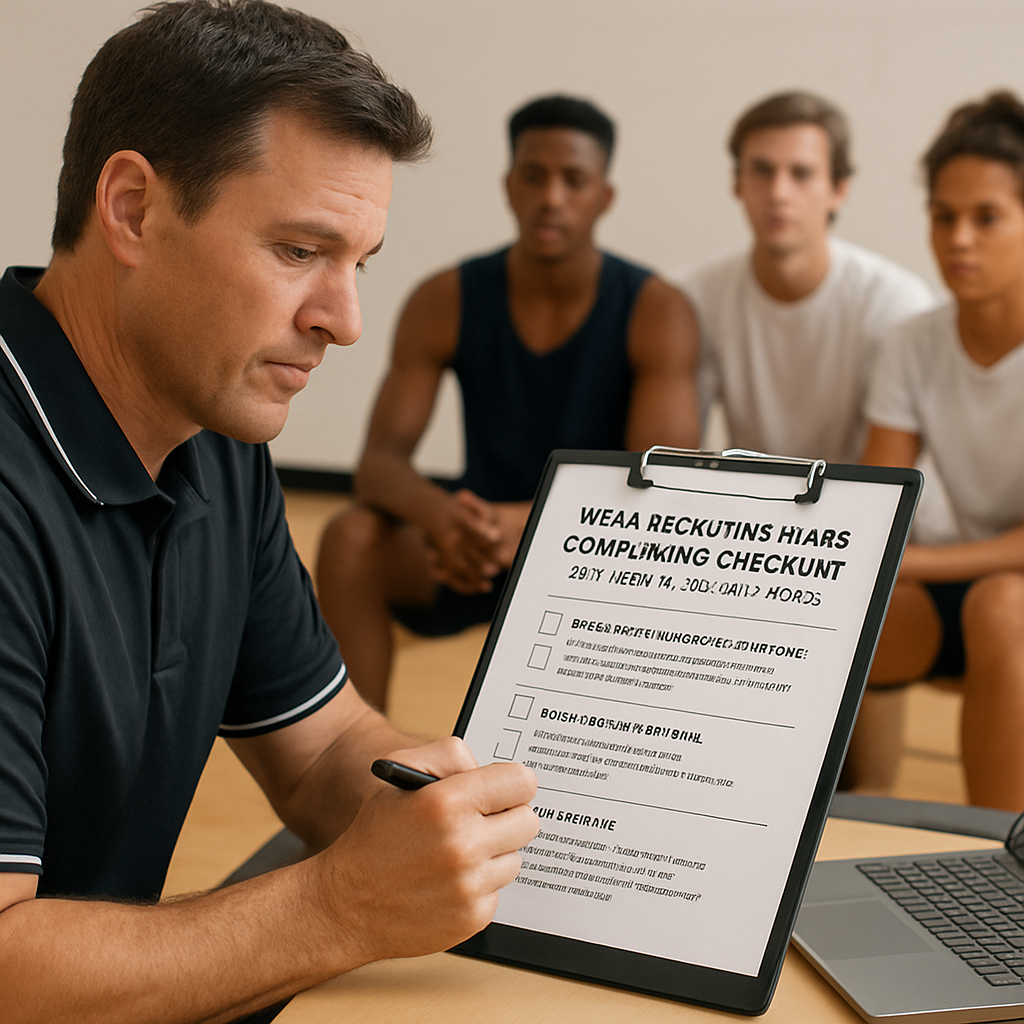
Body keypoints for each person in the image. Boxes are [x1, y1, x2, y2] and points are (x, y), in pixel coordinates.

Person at [0, 4, 539, 1023]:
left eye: (359, 263)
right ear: (131, 210)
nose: (343, 320)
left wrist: (449, 817)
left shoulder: (214, 438)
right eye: (299, 251)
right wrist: (336, 904)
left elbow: (327, 748)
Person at [316, 95, 700, 711]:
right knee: (350, 539)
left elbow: (662, 485)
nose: (552, 197)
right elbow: (379, 465)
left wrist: (512, 524)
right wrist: (445, 518)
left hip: (595, 556)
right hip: (469, 546)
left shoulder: (657, 309)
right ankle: (353, 774)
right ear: (509, 186)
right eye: (534, 176)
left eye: (574, 180)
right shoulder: (446, 297)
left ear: (604, 197)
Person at [860, 91, 1024, 811]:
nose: (959, 238)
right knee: (843, 603)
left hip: (1002, 594)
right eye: (943, 216)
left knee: (1000, 608)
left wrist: (913, 559)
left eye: (986, 218)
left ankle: (999, 869)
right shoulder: (913, 342)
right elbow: (877, 507)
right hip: (969, 575)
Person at [676, 90, 935, 465]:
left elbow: (886, 484)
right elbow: (674, 464)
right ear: (737, 184)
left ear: (838, 190)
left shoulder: (893, 303)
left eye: (801, 174)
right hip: (753, 518)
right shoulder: (696, 297)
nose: (779, 193)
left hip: (882, 518)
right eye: (762, 171)